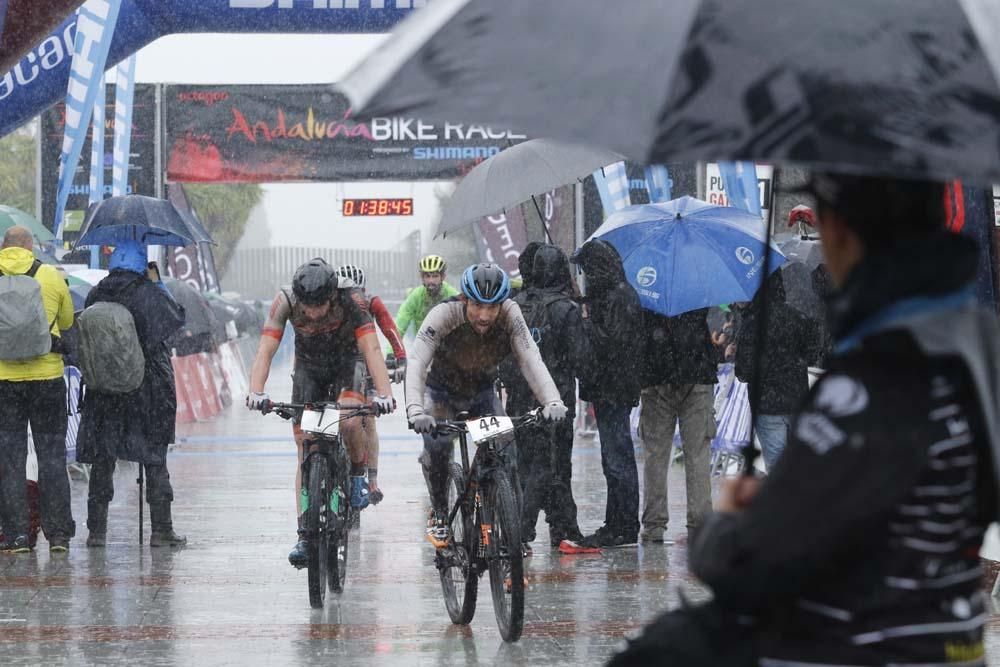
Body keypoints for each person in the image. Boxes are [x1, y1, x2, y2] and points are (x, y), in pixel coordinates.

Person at [610, 173, 1000, 667]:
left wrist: (727, 526)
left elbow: (753, 562)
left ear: (841, 231)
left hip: (868, 643)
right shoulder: (974, 353)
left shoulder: (873, 381)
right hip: (949, 637)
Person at [404, 263, 566, 547]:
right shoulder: (444, 314)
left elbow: (530, 358)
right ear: (465, 299)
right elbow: (417, 361)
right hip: (442, 393)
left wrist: (552, 400)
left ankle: (509, 536)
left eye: (493, 307)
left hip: (481, 393)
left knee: (506, 450)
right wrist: (415, 410)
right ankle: (441, 514)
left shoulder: (511, 314)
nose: (485, 315)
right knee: (439, 445)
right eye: (478, 305)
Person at [246, 258, 395, 567]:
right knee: (304, 445)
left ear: (332, 296)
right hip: (309, 369)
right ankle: (304, 533)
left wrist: (385, 394)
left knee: (351, 421)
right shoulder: (285, 300)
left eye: (319, 306)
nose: (312, 313)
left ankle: (356, 476)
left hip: (346, 364)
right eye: (307, 307)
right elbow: (265, 349)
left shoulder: (352, 299)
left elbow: (372, 349)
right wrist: (256, 391)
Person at [77, 241, 187, 548]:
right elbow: (175, 321)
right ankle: (161, 531)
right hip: (146, 390)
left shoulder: (96, 293)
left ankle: (97, 532)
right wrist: (159, 283)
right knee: (153, 458)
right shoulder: (148, 293)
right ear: (142, 263)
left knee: (103, 459)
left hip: (104, 393)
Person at [501, 244, 588, 549]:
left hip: (520, 397)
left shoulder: (516, 304)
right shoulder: (566, 309)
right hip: (556, 400)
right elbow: (580, 358)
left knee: (526, 466)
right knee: (554, 466)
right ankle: (532, 529)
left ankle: (548, 525)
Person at [0, 226, 75, 553]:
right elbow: (69, 321)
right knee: (52, 456)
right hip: (47, 379)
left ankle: (17, 535)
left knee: (11, 460)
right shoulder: (50, 275)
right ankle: (57, 534)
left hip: (5, 382)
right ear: (30, 247)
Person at [570, 239, 642, 548]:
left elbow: (615, 345)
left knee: (618, 459)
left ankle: (624, 525)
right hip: (608, 388)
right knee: (611, 460)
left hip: (615, 389)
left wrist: (587, 323)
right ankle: (616, 522)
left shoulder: (620, 297)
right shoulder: (610, 295)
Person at [638, 307, 717, 544]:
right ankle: (700, 524)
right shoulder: (698, 284)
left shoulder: (647, 287)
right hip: (696, 375)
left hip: (656, 376)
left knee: (656, 456)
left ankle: (654, 525)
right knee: (697, 456)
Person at [735, 270, 823, 471]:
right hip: (797, 400)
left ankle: (784, 502)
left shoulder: (751, 324)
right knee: (800, 465)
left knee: (777, 469)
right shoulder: (797, 317)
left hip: (767, 406)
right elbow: (811, 354)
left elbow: (744, 372)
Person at [335, 263, 406, 503]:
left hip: (366, 362)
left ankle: (372, 479)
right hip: (339, 361)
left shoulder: (372, 301)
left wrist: (401, 357)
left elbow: (389, 327)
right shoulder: (332, 303)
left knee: (367, 418)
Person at [391, 254, 459, 344]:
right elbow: (400, 325)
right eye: (427, 276)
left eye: (435, 276)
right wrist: (391, 352)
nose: (431, 281)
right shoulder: (415, 296)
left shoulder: (452, 295)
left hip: (448, 346)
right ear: (422, 278)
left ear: (443, 277)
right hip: (423, 345)